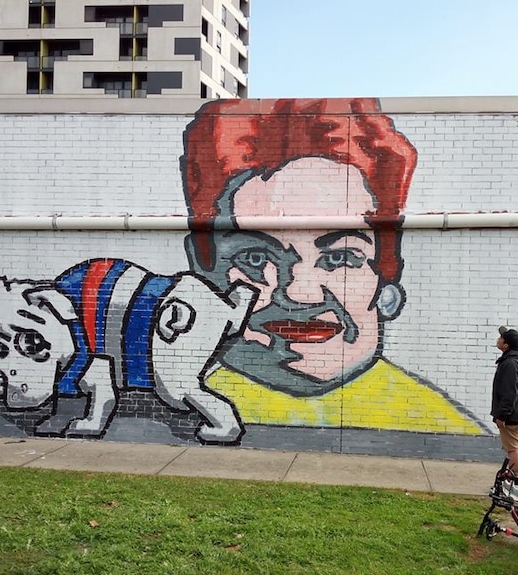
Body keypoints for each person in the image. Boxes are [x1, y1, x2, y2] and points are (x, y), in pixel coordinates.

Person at [180, 98, 485, 435]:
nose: (301, 294)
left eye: (339, 258)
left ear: (385, 278)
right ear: (203, 270)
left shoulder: (441, 423)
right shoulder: (164, 413)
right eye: (256, 258)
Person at [491, 326, 518, 474]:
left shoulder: (510, 363)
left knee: (512, 450)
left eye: (501, 338)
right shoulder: (516, 360)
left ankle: (513, 481)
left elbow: (509, 393)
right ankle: (515, 480)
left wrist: (502, 416)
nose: (498, 339)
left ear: (506, 345)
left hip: (512, 416)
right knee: (516, 447)